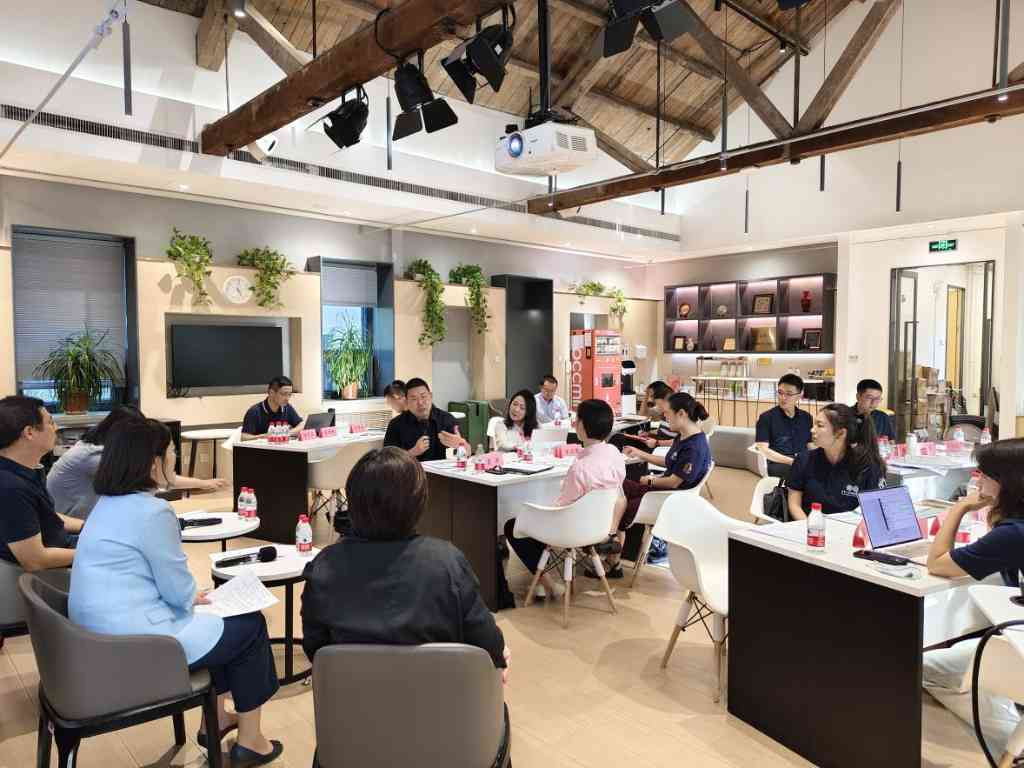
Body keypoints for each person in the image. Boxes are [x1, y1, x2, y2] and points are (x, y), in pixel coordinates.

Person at [69, 419, 282, 765]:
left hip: (96, 638)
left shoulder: (106, 504)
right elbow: (177, 590)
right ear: (153, 462)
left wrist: (189, 598)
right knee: (250, 626)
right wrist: (191, 596)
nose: (174, 459)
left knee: (220, 624)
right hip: (140, 644)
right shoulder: (152, 511)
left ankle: (217, 718)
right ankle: (251, 741)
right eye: (170, 453)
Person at [301, 447, 509, 681]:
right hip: (440, 698)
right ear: (418, 503)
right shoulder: (447, 563)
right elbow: (489, 645)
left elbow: (316, 650)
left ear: (354, 501)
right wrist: (499, 654)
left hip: (354, 699)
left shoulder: (325, 566)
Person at [923, 438, 1024, 762]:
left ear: (1006, 482)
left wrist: (959, 507)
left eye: (983, 474)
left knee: (927, 668)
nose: (977, 480)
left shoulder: (1012, 534)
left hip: (1019, 646)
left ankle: (1011, 742)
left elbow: (937, 563)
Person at [503, 399, 627, 597]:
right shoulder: (615, 454)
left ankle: (549, 584)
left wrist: (539, 508)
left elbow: (562, 507)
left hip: (573, 530)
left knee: (513, 525)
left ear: (582, 426)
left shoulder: (581, 467)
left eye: (577, 420)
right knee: (537, 518)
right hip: (601, 527)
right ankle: (545, 583)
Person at [47, 405, 226, 519]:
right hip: (68, 524)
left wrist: (203, 483)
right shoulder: (94, 456)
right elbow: (157, 477)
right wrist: (203, 483)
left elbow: (159, 476)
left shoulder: (95, 445)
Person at [614, 392, 712, 578]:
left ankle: (614, 561)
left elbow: (674, 481)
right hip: (660, 491)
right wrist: (640, 454)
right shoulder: (683, 437)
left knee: (622, 503)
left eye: (667, 413)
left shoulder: (694, 447)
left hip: (666, 499)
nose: (664, 418)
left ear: (681, 413)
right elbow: (669, 461)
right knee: (617, 484)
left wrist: (650, 480)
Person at [0, 396, 82, 571]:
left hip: (65, 547)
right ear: (29, 432)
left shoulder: (25, 471)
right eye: (50, 423)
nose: (56, 428)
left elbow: (44, 517)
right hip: (54, 571)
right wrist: (96, 553)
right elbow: (35, 560)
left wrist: (88, 526)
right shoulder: (10, 487)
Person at [786, 403, 885, 520]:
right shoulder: (804, 460)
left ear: (841, 433)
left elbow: (875, 512)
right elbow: (794, 505)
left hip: (850, 528)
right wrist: (811, 527)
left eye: (820, 425)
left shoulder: (867, 466)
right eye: (814, 424)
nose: (812, 430)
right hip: (810, 527)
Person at [383, 378, 469, 461]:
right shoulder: (396, 424)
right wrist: (412, 452)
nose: (420, 403)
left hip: (438, 470)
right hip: (409, 470)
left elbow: (468, 453)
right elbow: (387, 460)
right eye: (414, 399)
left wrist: (461, 444)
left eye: (423, 396)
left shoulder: (445, 419)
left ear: (430, 396)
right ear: (407, 401)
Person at [755, 373, 813, 479]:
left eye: (789, 394)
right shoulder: (766, 418)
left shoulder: (806, 417)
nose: (783, 397)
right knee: (805, 473)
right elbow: (763, 449)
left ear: (800, 395)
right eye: (780, 392)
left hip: (802, 461)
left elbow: (810, 445)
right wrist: (792, 461)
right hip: (778, 462)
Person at [241, 376, 303, 441]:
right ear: (271, 393)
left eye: (289, 394)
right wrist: (264, 436)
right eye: (284, 394)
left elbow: (301, 425)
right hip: (261, 446)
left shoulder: (287, 407)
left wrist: (287, 433)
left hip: (281, 445)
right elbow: (244, 437)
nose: (287, 398)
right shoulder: (255, 411)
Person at [620, 381, 676, 450]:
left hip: (663, 448)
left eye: (653, 396)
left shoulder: (677, 413)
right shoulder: (663, 411)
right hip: (658, 444)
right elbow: (642, 416)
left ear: (665, 396)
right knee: (624, 440)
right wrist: (649, 433)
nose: (652, 400)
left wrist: (657, 443)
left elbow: (682, 440)